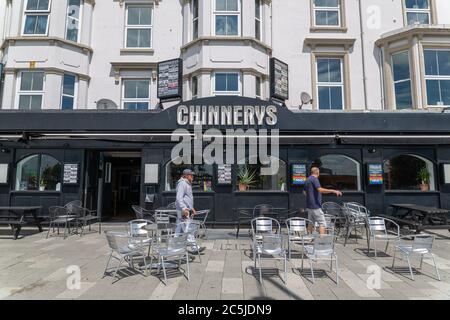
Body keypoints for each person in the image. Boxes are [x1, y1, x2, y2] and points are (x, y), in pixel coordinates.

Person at [304, 167, 342, 235]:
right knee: (322, 223)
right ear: (317, 173)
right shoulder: (315, 179)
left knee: (310, 223)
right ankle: (321, 241)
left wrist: (310, 196)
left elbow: (304, 192)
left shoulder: (307, 180)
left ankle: (309, 239)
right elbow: (320, 190)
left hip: (309, 205)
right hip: (316, 206)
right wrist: (333, 190)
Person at [175, 168, 205, 252]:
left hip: (186, 210)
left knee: (179, 229)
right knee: (188, 229)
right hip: (183, 211)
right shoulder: (182, 184)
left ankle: (173, 247)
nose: (193, 177)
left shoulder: (187, 183)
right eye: (191, 175)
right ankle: (194, 247)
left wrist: (192, 208)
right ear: (186, 175)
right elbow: (179, 197)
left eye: (192, 175)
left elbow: (187, 198)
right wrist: (184, 208)